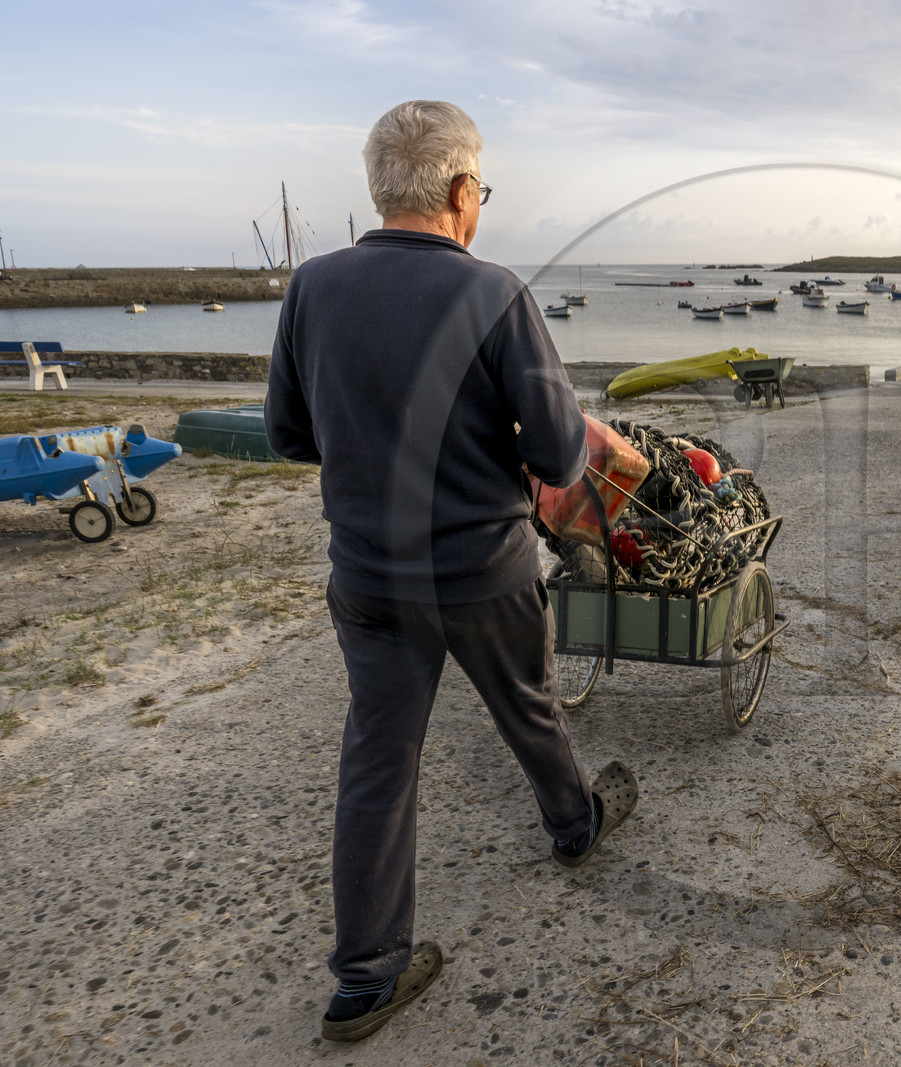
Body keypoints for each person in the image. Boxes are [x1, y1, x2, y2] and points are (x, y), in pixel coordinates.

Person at [265, 99, 637, 1044]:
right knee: (529, 701)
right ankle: (574, 824)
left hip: (369, 574)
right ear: (463, 192)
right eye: (484, 190)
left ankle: (365, 978)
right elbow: (559, 457)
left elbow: (287, 433)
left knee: (378, 757)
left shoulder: (312, 287)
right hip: (480, 567)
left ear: (380, 189)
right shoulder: (495, 293)